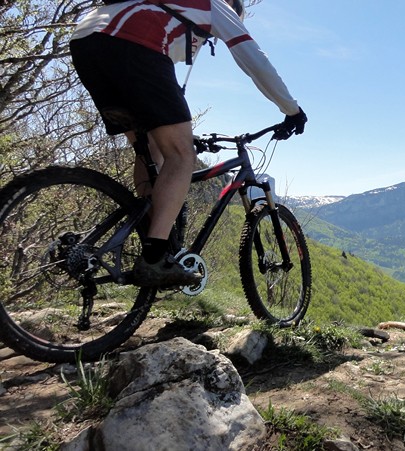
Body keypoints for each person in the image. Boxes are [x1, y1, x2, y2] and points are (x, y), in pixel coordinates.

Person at [69, 0, 307, 287]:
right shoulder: (216, 5)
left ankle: (151, 233)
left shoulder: (171, 8)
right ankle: (154, 259)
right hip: (129, 42)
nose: (207, 39)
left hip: (86, 41)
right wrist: (291, 109)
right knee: (182, 156)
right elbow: (254, 59)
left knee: (151, 152)